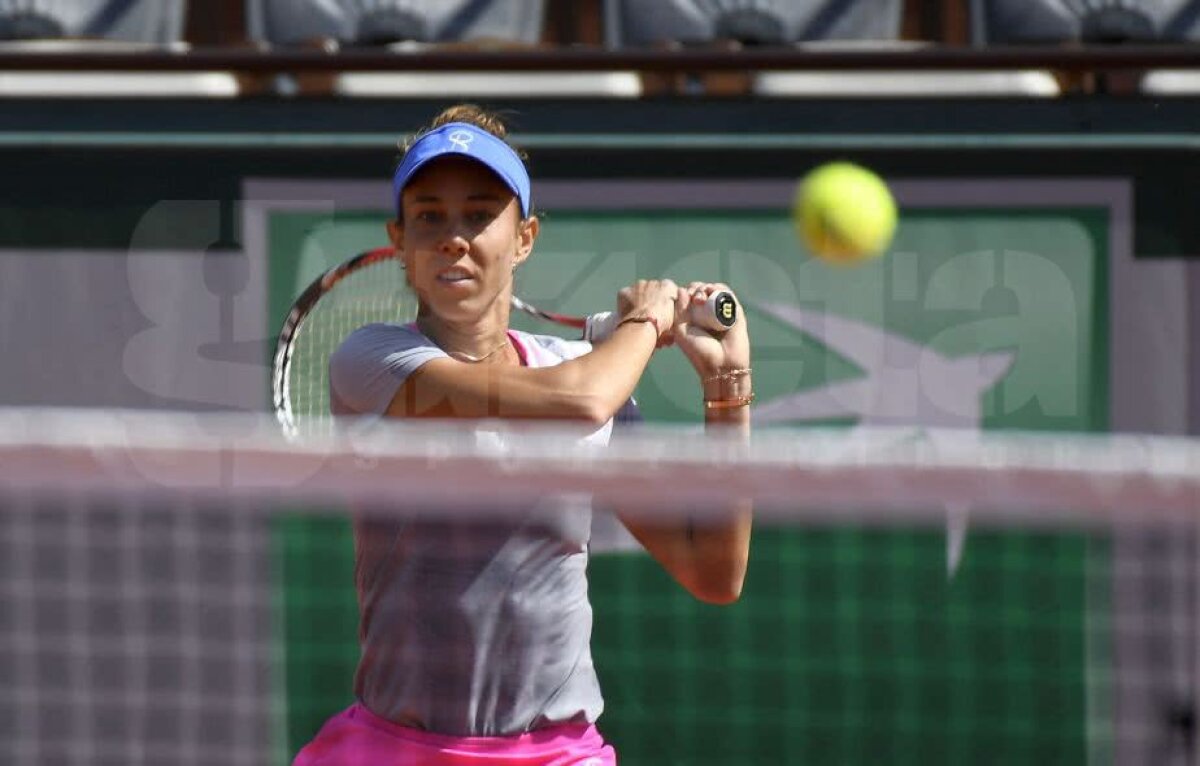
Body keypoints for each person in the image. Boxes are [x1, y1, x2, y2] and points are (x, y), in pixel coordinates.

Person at [294, 104, 754, 766]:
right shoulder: (371, 361)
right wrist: (647, 324)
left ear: (524, 238)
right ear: (400, 241)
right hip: (394, 748)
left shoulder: (578, 367)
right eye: (430, 216)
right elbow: (584, 400)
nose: (454, 236)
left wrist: (728, 389)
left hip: (557, 754)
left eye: (480, 214)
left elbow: (714, 572)